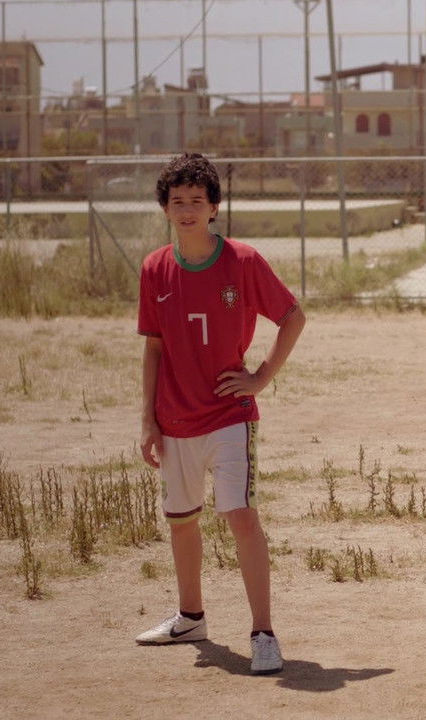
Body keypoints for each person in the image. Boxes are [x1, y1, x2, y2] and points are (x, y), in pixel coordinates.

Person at [134, 153, 307, 675]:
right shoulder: (155, 267)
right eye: (177, 201)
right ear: (165, 208)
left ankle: (263, 633)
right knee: (181, 521)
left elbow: (293, 317)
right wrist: (147, 420)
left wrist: (261, 377)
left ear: (214, 207)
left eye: (197, 200)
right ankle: (191, 617)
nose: (187, 210)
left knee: (241, 516)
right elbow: (154, 347)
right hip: (174, 419)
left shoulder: (243, 261)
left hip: (230, 415)